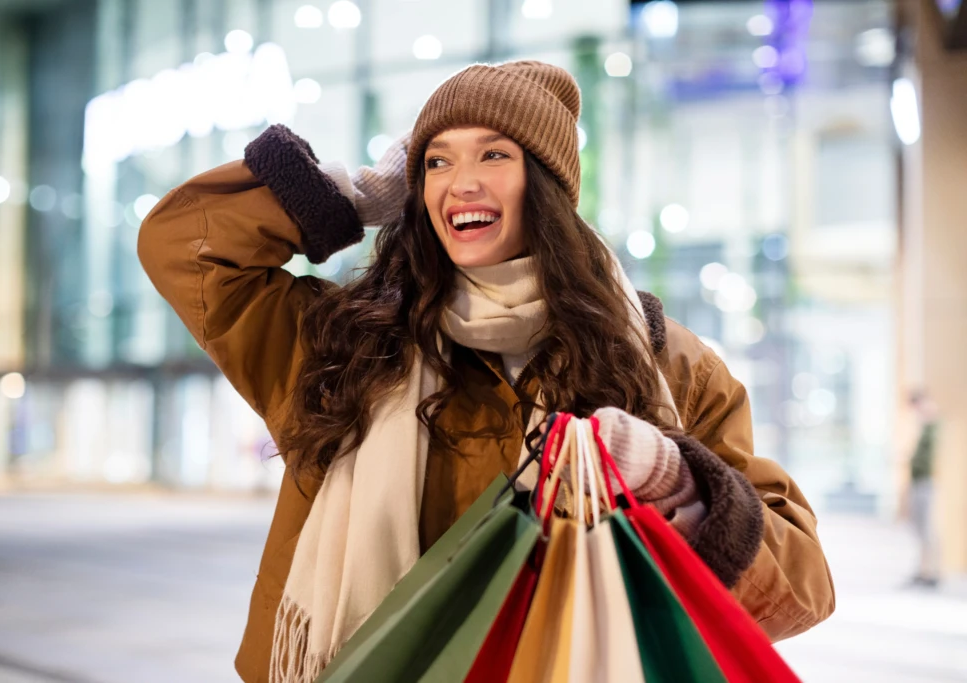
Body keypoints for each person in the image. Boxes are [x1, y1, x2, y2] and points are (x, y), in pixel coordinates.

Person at [139, 60, 834, 683]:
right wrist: (347, 198)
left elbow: (802, 582)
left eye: (494, 154)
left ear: (547, 183)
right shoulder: (342, 342)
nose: (461, 181)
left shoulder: (662, 360)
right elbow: (180, 244)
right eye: (436, 161)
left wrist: (678, 484)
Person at [907, 389, 941, 587]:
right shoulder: (921, 427)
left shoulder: (933, 427)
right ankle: (923, 569)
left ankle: (932, 572)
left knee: (928, 528)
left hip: (927, 481)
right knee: (919, 527)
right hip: (918, 481)